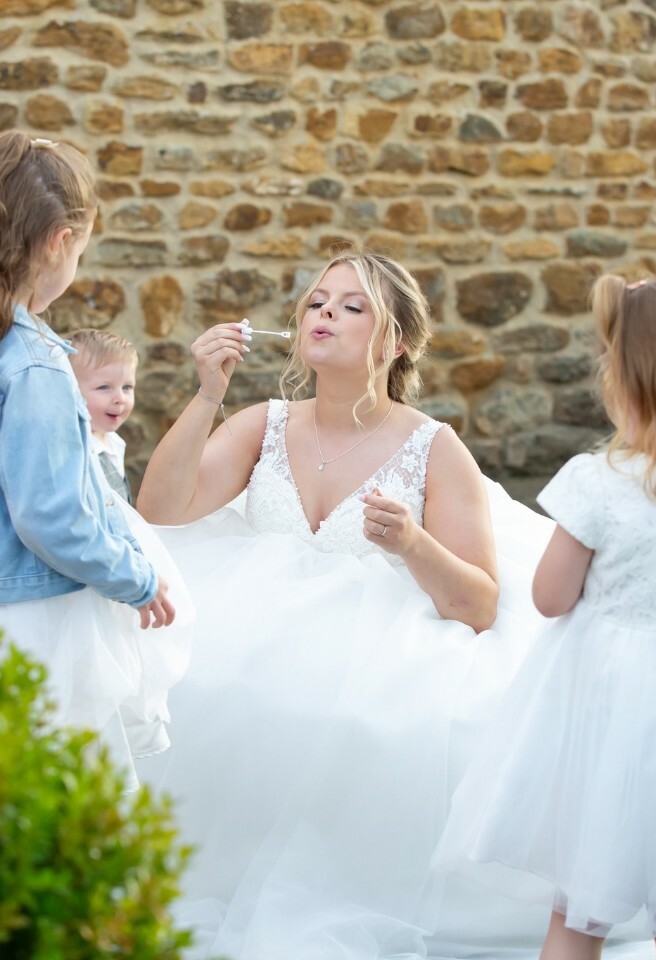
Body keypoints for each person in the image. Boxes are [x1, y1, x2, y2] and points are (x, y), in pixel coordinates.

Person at [136, 250, 556, 959]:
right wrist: (207, 393)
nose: (323, 312)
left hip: (383, 643)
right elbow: (162, 510)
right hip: (257, 621)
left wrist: (412, 543)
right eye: (316, 302)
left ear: (393, 344)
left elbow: (478, 605)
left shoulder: (434, 447)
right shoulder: (260, 423)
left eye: (350, 306)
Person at [434, 275, 656, 960]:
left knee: (579, 904)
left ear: (617, 375)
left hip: (611, 704)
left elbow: (550, 597)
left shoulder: (600, 480)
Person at [0, 131, 191, 791]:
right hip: (34, 622)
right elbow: (50, 515)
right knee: (68, 803)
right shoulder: (34, 364)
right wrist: (135, 578)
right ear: (59, 242)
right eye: (81, 249)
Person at [69, 328, 138, 504]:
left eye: (127, 387)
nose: (120, 399)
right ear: (71, 391)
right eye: (104, 387)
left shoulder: (113, 441)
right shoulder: (77, 450)